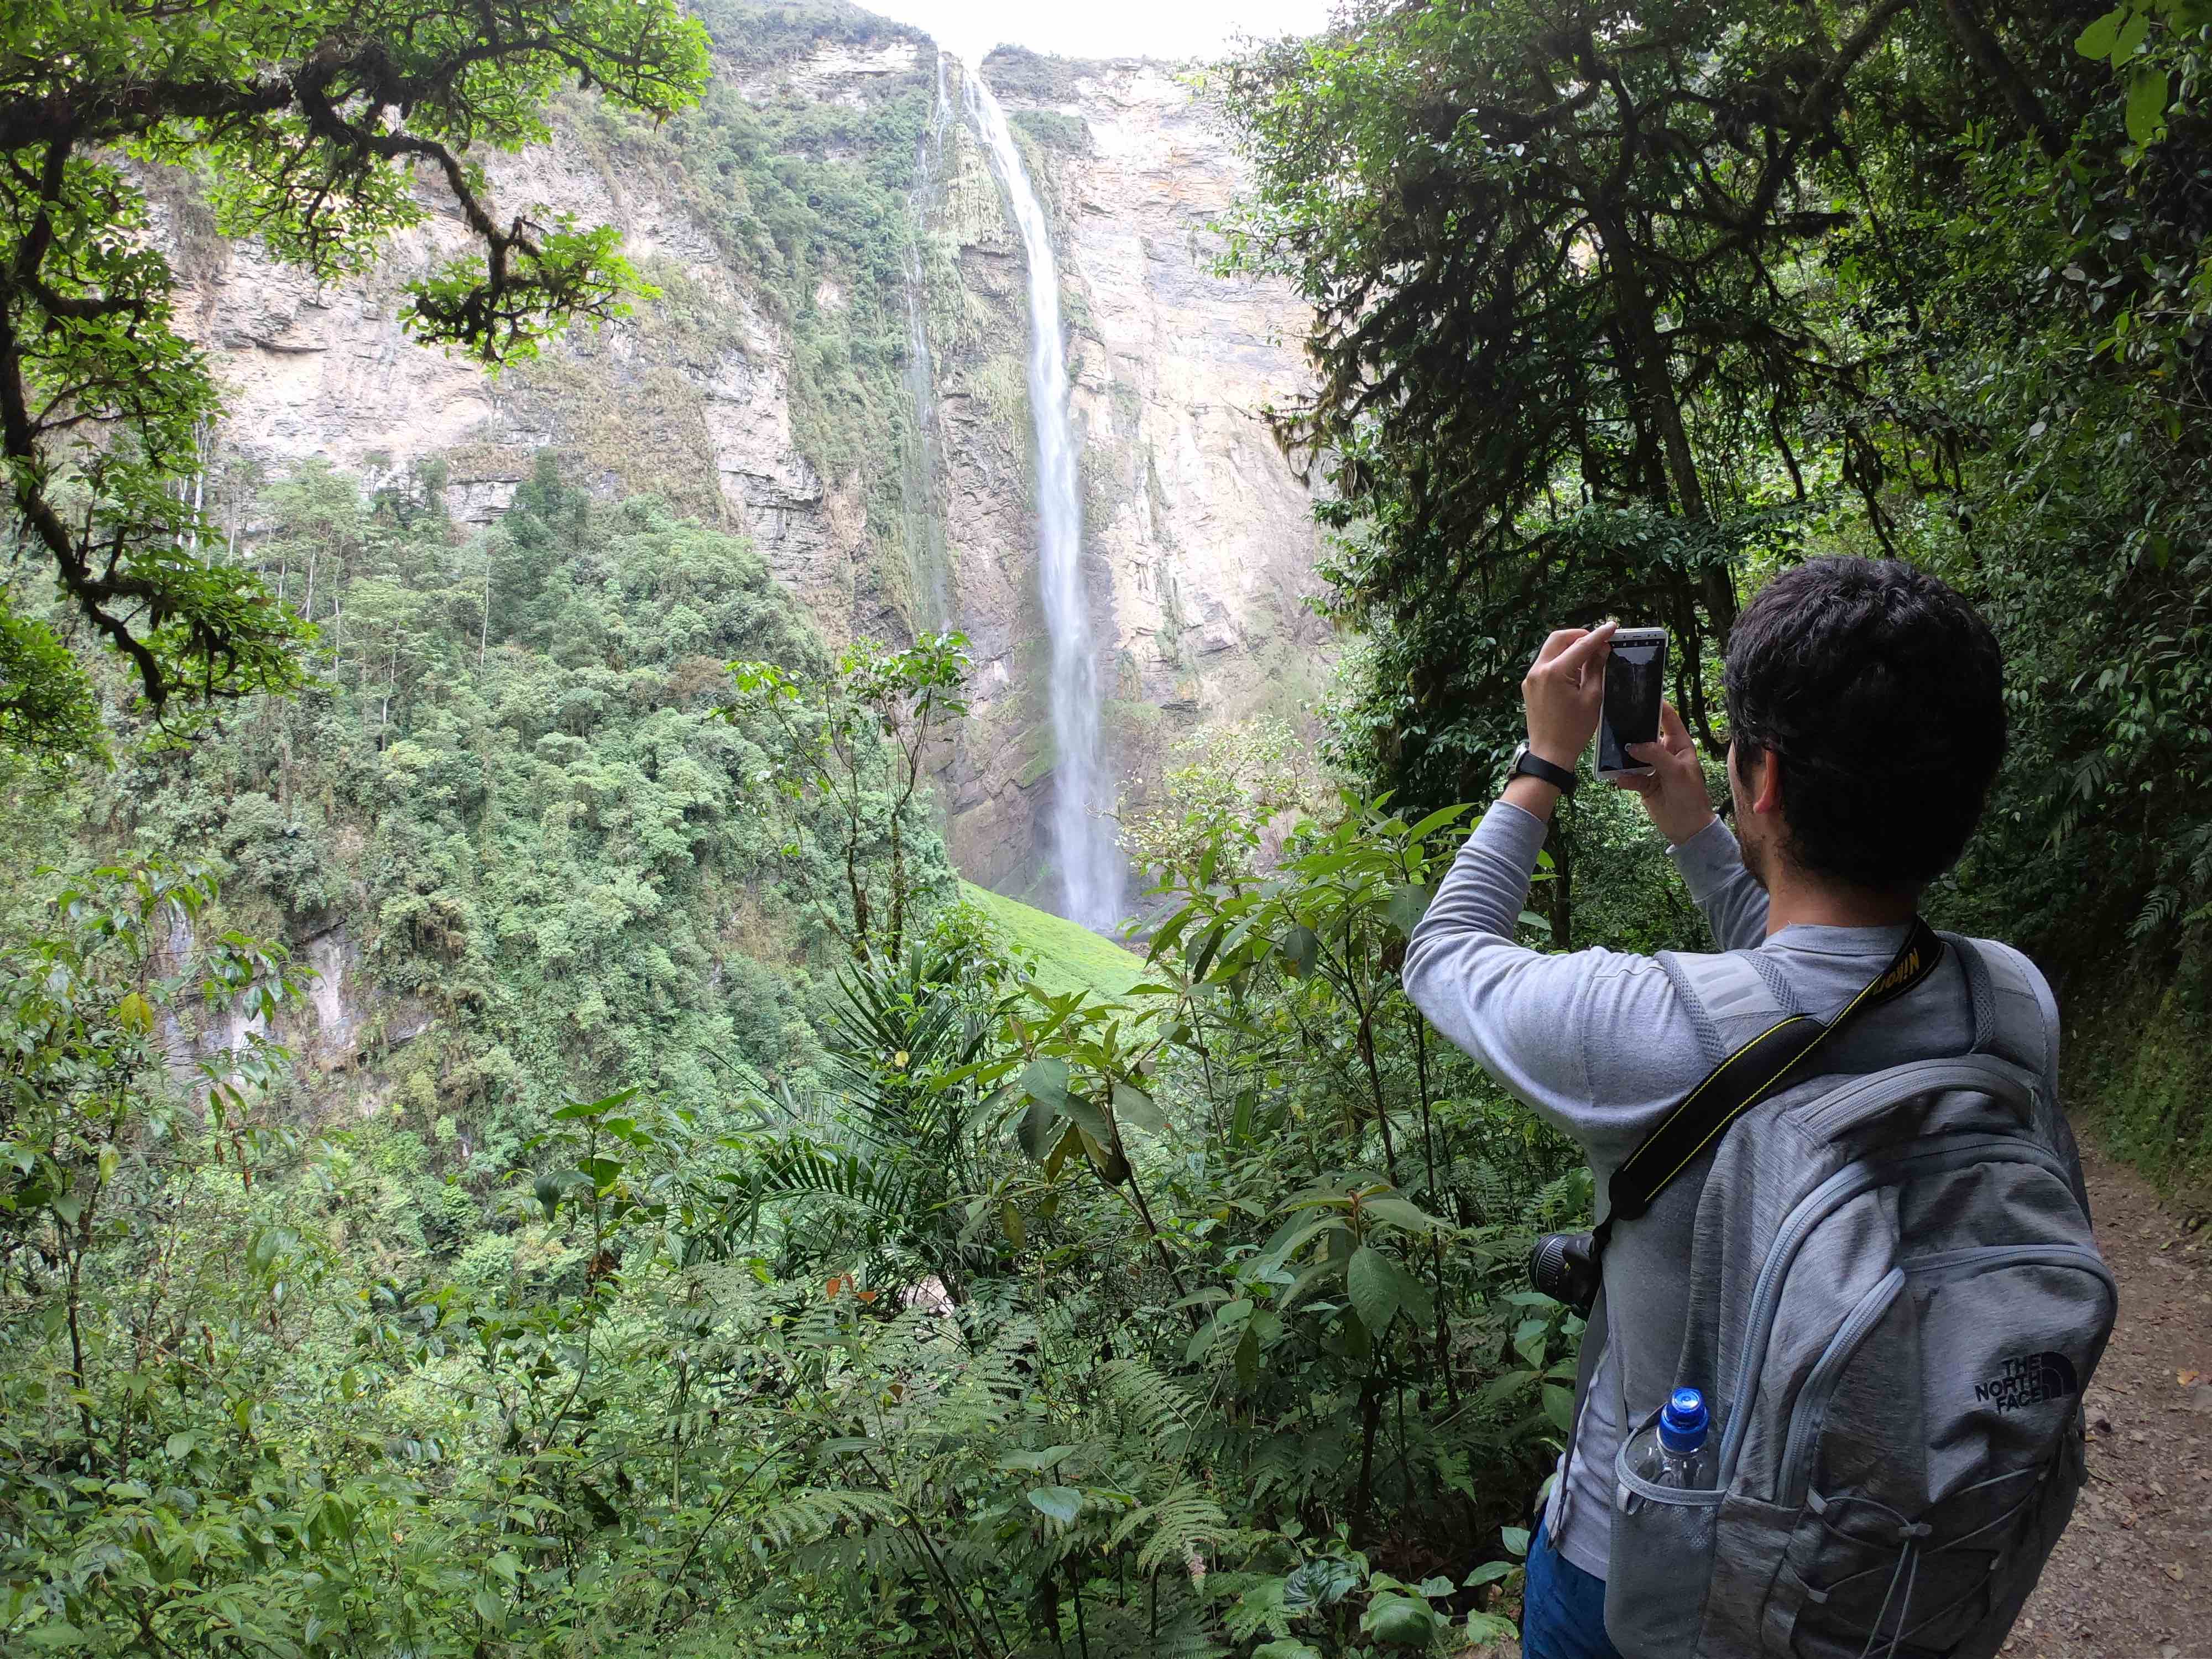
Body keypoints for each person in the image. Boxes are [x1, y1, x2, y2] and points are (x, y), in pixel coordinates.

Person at [1401, 557, 2081, 1659]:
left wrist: (1542, 763)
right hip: (1878, 1569)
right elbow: (1825, 995)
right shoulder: (2007, 999)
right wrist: (1696, 833)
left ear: (1760, 777)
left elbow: (1440, 956)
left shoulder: (1645, 1027)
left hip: (1639, 1592)